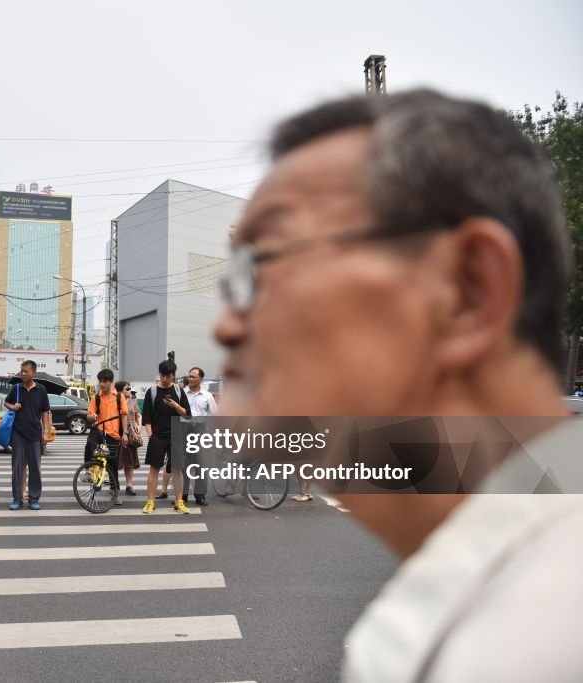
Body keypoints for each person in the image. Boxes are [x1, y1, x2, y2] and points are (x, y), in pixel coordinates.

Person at [213, 89, 582, 680]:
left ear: (468, 291)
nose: (226, 323)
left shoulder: (541, 639)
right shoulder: (479, 601)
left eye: (262, 266)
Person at [141, 354, 191, 514]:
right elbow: (146, 417)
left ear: (173, 376)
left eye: (167, 376)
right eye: (162, 375)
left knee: (177, 470)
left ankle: (179, 501)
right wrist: (151, 436)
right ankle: (150, 502)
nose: (164, 379)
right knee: (153, 470)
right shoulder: (152, 391)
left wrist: (176, 405)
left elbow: (187, 414)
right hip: (157, 436)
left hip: (176, 435)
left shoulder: (178, 391)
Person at [4, 360, 52, 510]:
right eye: (21, 371)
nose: (23, 374)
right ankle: (17, 499)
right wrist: (13, 406)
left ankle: (34, 498)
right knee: (17, 468)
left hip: (35, 434)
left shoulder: (41, 390)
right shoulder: (16, 388)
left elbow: (45, 412)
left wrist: (45, 433)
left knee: (35, 468)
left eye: (26, 371)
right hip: (18, 433)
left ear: (33, 373)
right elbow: (6, 402)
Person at [84, 369, 128, 505]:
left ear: (111, 382)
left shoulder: (119, 397)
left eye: (105, 381)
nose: (102, 384)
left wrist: (125, 433)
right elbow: (89, 415)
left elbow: (124, 415)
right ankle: (89, 471)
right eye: (100, 381)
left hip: (113, 434)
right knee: (90, 443)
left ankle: (115, 492)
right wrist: (92, 417)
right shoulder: (95, 398)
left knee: (112, 465)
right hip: (99, 431)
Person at [181, 366, 218, 506]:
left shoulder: (207, 396)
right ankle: (182, 496)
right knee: (184, 465)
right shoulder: (182, 393)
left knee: (201, 465)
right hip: (185, 430)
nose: (190, 379)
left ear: (201, 379)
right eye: (189, 376)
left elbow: (214, 415)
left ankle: (200, 495)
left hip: (201, 431)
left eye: (193, 377)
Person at [117, 382, 142, 495]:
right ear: (120, 391)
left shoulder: (132, 400)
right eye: (127, 389)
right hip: (117, 432)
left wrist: (139, 425)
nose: (129, 390)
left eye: (130, 388)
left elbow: (138, 414)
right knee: (115, 460)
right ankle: (114, 485)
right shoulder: (115, 401)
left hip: (131, 433)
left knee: (130, 460)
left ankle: (129, 485)